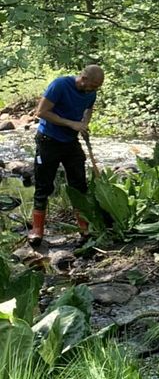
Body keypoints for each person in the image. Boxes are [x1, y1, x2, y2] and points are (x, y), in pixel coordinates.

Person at [30, 64, 104, 246]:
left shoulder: (90, 93)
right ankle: (37, 230)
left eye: (97, 88)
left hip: (70, 142)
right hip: (48, 140)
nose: (94, 90)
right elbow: (41, 112)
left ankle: (84, 229)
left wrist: (84, 123)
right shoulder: (60, 85)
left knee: (79, 185)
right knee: (43, 186)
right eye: (93, 86)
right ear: (84, 78)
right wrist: (71, 124)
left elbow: (88, 109)